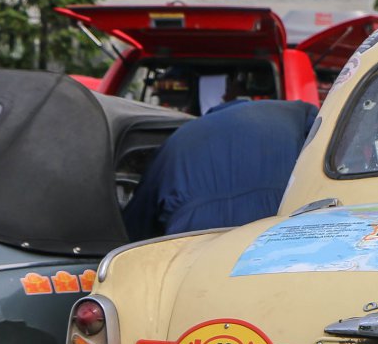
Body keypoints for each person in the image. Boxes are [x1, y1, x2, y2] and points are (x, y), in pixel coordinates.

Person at [122, 98, 319, 241]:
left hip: (193, 235)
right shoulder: (296, 113)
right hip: (279, 219)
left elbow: (139, 222)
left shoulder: (182, 136)